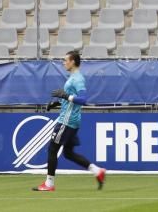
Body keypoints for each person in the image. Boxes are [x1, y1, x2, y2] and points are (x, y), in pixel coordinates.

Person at [33, 50, 106, 192]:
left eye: (65, 60)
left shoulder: (77, 79)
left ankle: (49, 184)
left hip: (66, 121)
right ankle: (97, 171)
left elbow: (83, 99)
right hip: (73, 120)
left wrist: (66, 96)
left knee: (52, 149)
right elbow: (71, 99)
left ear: (73, 62)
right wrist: (57, 103)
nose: (63, 62)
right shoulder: (73, 77)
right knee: (68, 153)